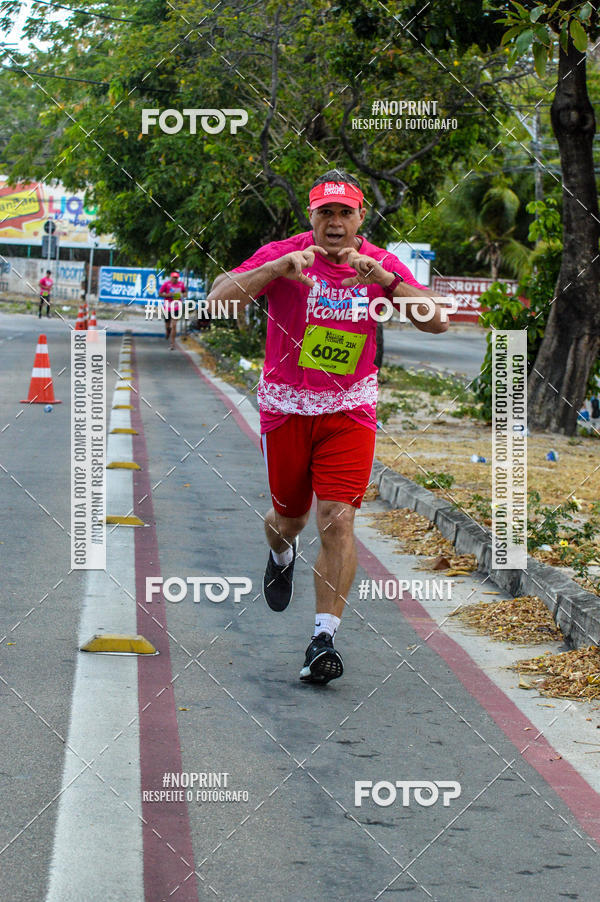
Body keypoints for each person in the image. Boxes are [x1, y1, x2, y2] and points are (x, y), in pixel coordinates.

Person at [207, 169, 448, 684]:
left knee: (338, 518)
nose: (335, 223)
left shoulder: (377, 263)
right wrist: (274, 270)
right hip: (288, 407)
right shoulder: (286, 254)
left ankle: (322, 641)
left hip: (349, 410)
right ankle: (280, 551)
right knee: (287, 520)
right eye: (325, 213)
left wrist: (386, 281)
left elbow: (437, 321)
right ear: (311, 216)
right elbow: (218, 301)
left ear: (361, 217)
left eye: (345, 213)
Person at [158, 271, 187, 349]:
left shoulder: (181, 284)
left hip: (177, 306)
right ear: (171, 278)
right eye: (173, 277)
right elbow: (160, 293)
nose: (175, 279)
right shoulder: (166, 284)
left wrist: (180, 295)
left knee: (174, 325)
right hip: (167, 307)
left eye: (176, 278)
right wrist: (168, 295)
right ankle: (168, 331)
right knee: (168, 324)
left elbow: (185, 294)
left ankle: (172, 344)